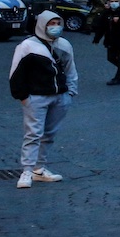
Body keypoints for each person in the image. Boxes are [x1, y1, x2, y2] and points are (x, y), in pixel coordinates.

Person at [10, 10, 78, 189]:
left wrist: (70, 93)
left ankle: (39, 169)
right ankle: (27, 170)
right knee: (33, 134)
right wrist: (23, 97)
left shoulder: (64, 44)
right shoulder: (27, 46)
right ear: (42, 24)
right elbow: (16, 74)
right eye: (51, 24)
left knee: (49, 134)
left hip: (60, 96)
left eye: (58, 23)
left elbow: (71, 69)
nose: (55, 27)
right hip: (36, 97)